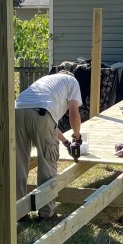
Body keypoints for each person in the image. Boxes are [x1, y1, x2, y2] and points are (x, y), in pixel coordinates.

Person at [15, 71, 83, 219]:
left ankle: (19, 212)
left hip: (17, 111)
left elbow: (49, 123)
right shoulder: (72, 81)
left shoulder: (47, 82)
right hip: (41, 113)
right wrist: (77, 137)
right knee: (48, 161)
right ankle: (47, 213)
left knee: (18, 163)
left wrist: (66, 143)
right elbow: (74, 113)